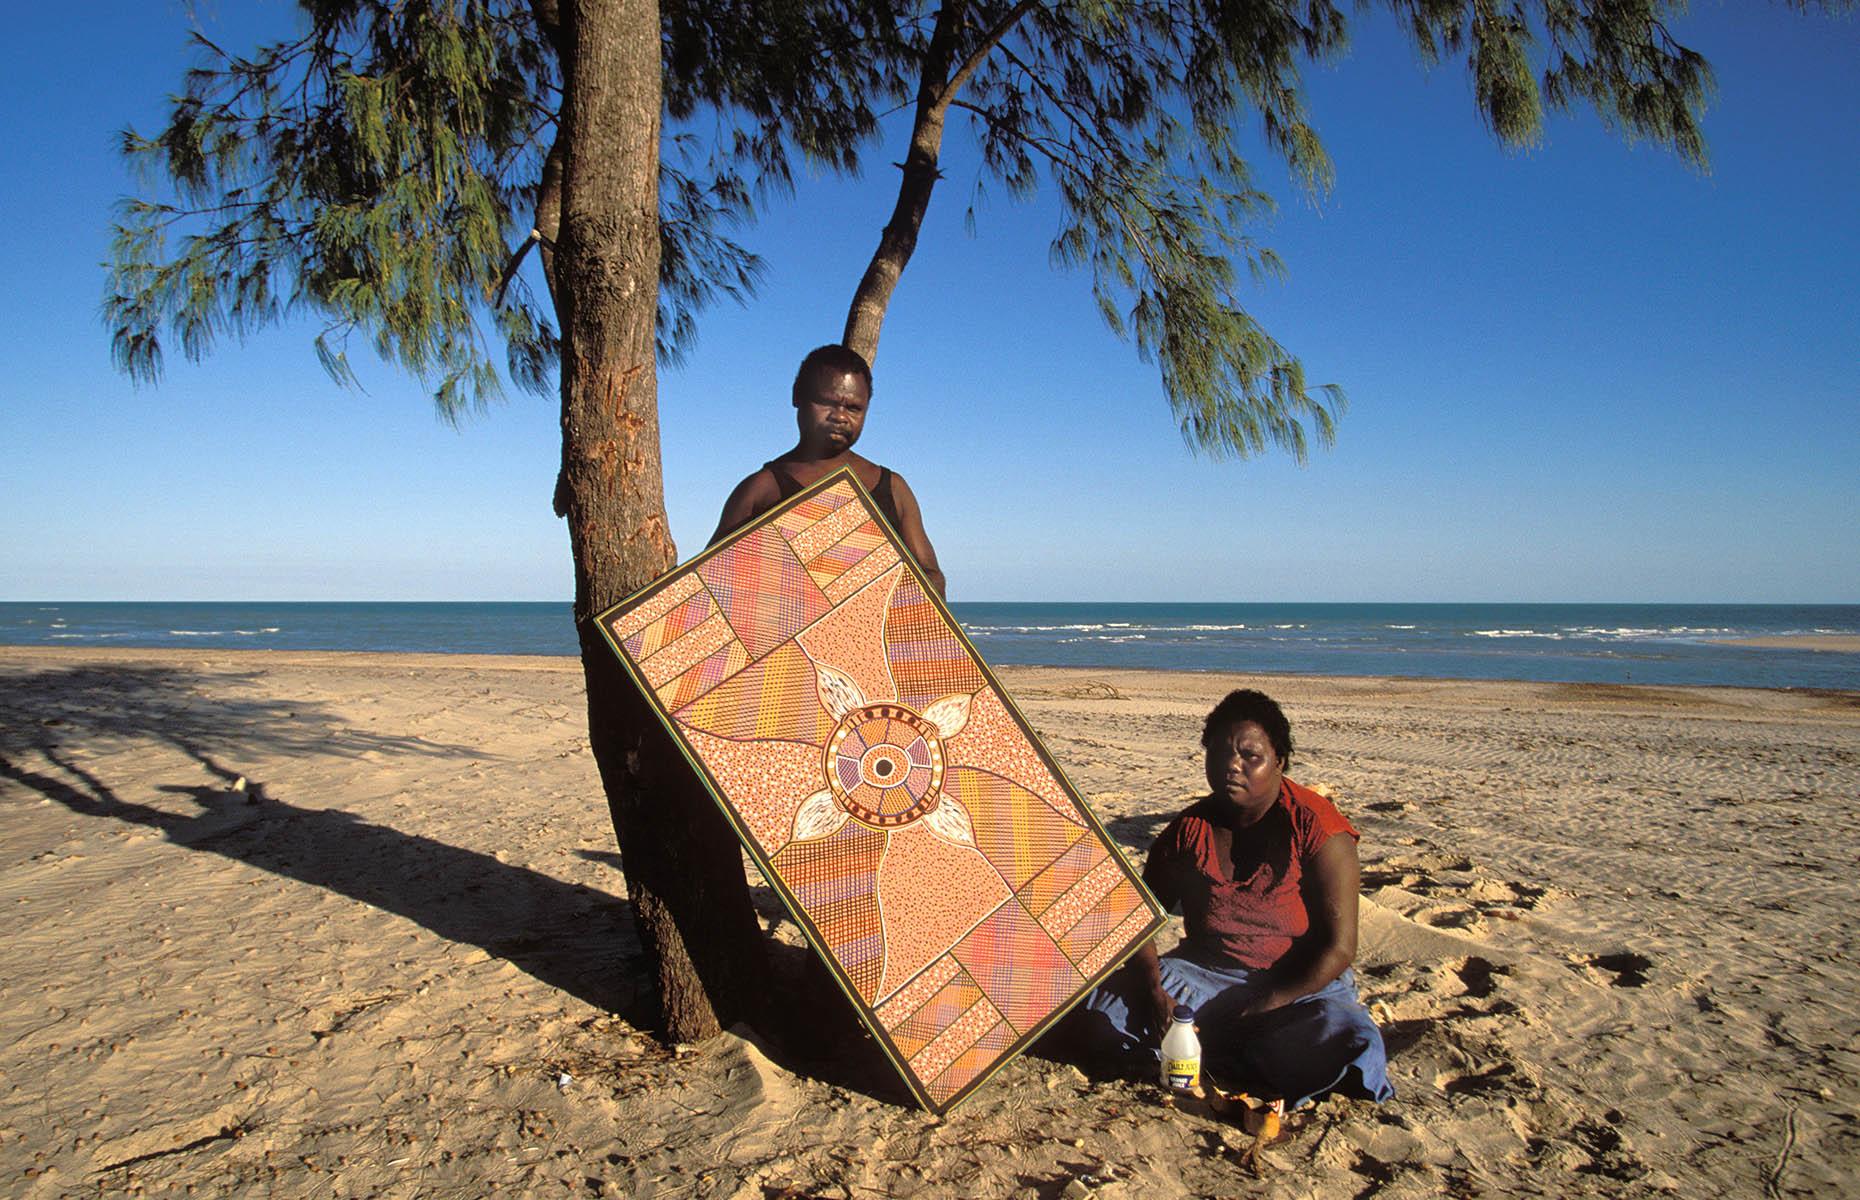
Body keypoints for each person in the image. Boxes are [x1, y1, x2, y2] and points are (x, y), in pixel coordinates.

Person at [1079, 688, 1394, 1107]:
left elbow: (1339, 948)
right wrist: (1155, 995)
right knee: (1098, 1014)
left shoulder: (1318, 827)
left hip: (1298, 985)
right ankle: (1227, 1049)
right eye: (1220, 754)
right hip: (1203, 975)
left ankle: (1227, 1048)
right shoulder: (1187, 832)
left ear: (1278, 760)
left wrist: (1265, 1005)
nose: (1232, 765)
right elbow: (1139, 921)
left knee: (1349, 1040)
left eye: (1250, 756)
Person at [710, 344, 946, 598]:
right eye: (827, 403)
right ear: (797, 396)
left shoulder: (893, 488)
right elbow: (711, 582)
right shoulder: (761, 489)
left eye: (854, 408)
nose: (840, 417)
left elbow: (932, 578)